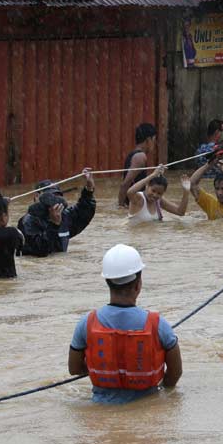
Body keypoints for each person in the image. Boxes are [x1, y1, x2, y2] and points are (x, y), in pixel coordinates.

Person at [68, 244, 183, 404]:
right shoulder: (159, 325)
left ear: (107, 282)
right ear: (138, 285)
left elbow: (74, 369)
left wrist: (105, 369)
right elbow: (175, 372)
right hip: (148, 410)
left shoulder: (86, 323)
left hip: (101, 413)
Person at [19, 170, 97, 256]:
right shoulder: (27, 222)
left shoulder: (64, 216)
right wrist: (54, 224)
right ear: (37, 197)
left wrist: (89, 190)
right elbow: (40, 250)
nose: (55, 202)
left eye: (57, 197)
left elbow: (84, 212)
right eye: (50, 197)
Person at [118, 123, 157, 207]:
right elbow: (125, 184)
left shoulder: (133, 154)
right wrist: (121, 206)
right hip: (133, 205)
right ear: (148, 140)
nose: (154, 143)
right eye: (154, 140)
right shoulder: (140, 157)